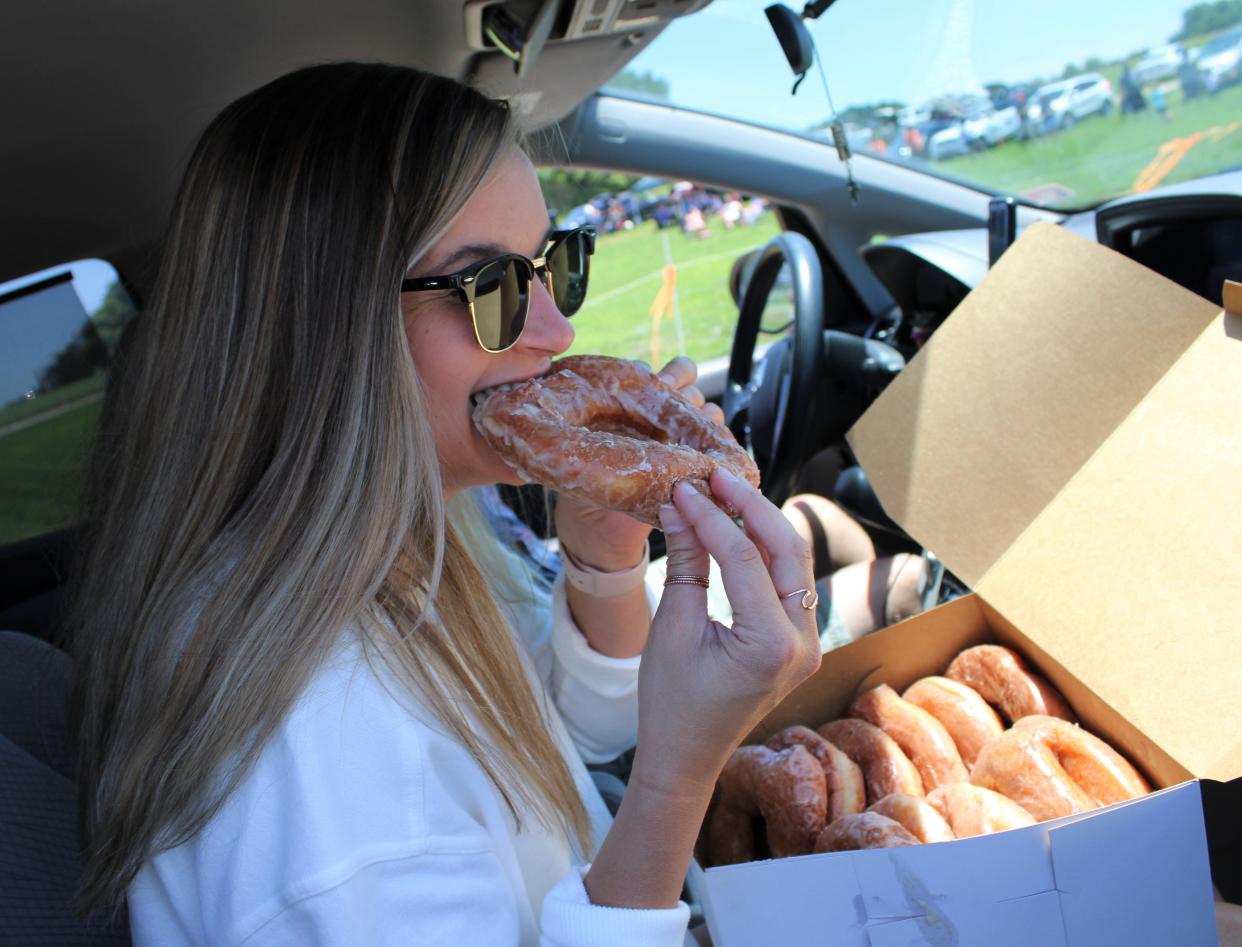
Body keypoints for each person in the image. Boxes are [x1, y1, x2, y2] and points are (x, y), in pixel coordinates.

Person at [69, 62, 821, 946]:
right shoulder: (325, 767)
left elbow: (566, 736)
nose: (557, 331)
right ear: (330, 333)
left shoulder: (405, 538)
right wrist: (675, 780)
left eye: (554, 266)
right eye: (490, 287)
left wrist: (604, 558)